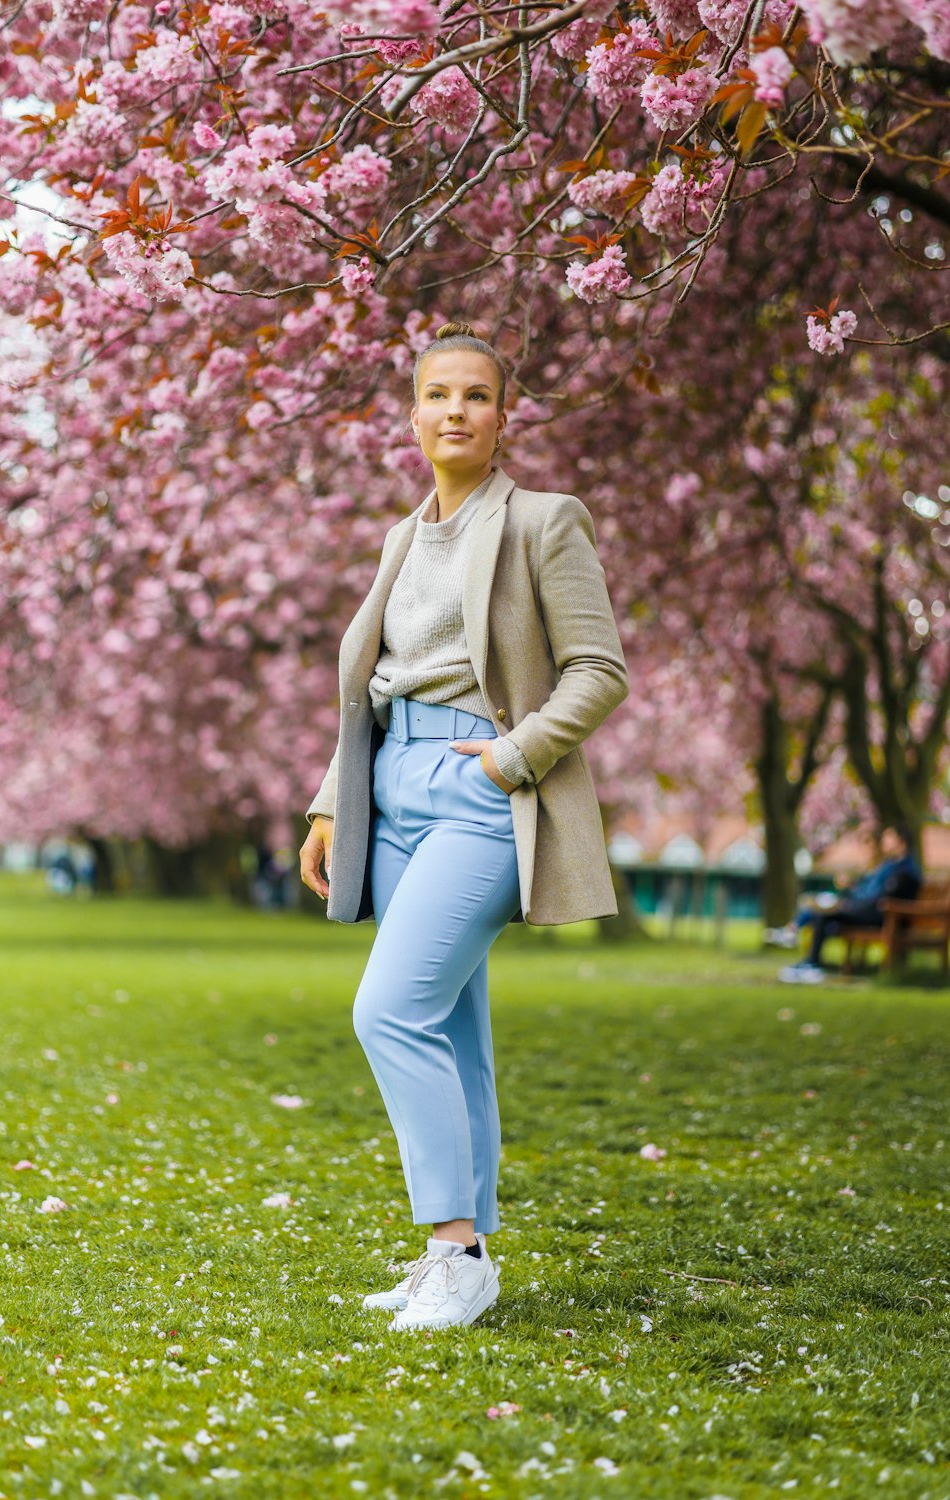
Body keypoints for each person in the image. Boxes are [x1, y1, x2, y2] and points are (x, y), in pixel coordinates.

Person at [299, 320, 629, 1331]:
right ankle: (459, 1253)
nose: (455, 412)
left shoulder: (542, 521)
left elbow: (598, 670)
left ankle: (454, 1248)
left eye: (475, 396)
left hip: (484, 794)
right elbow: (376, 687)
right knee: (447, 1025)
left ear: (502, 414)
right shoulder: (405, 536)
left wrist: (509, 757)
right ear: (411, 415)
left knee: (387, 1011)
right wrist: (327, 802)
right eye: (437, 395)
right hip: (390, 792)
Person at [778, 820, 922, 983]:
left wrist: (850, 902)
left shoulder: (904, 870)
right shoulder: (891, 866)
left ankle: (809, 960)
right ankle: (808, 958)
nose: (883, 841)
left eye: (889, 837)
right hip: (871, 911)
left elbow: (880, 898)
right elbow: (870, 891)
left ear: (901, 840)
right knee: (824, 911)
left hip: (882, 917)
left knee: (825, 912)